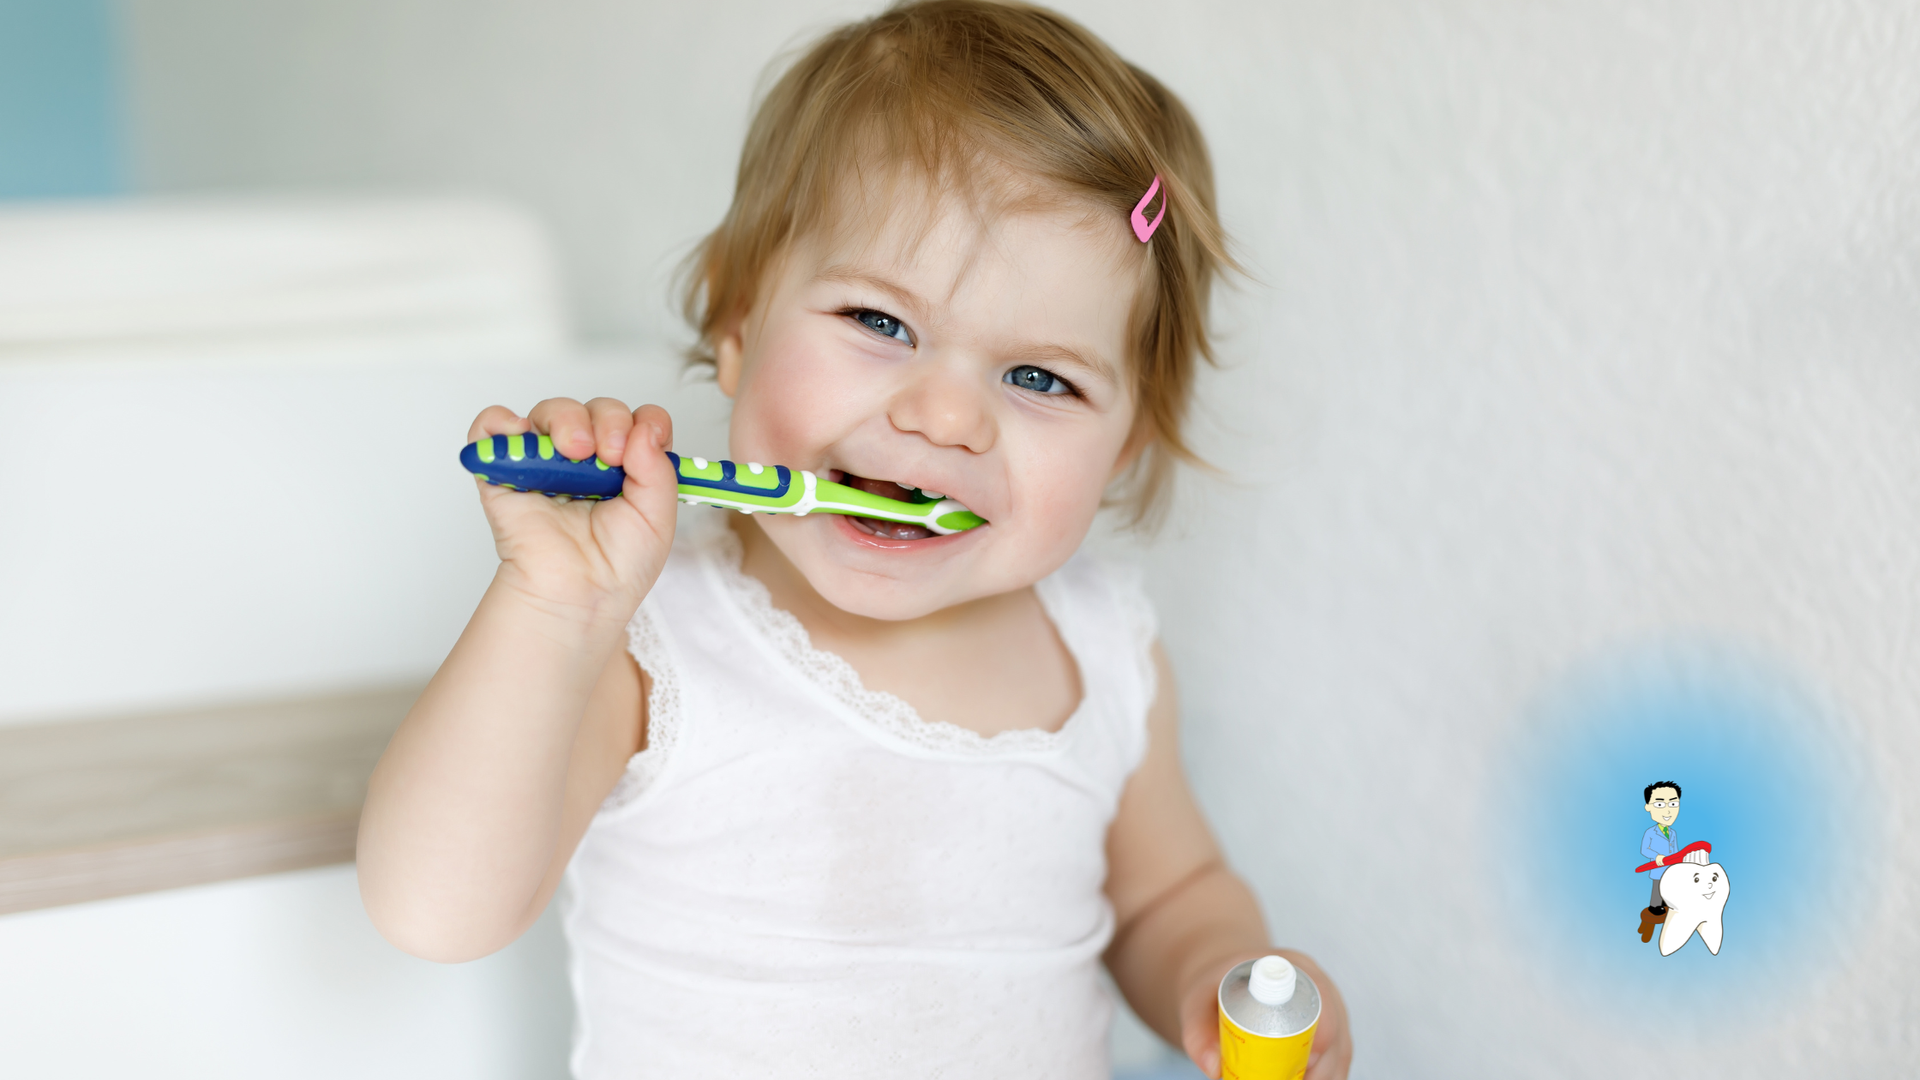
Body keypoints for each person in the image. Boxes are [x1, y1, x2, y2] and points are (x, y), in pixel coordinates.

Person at [355, 3, 1351, 1077]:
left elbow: (1170, 893)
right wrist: (554, 609)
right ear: (739, 326)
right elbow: (432, 910)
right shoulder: (652, 644)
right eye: (881, 323)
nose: (946, 417)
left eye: (1039, 378)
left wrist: (1225, 976)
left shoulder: (1103, 649)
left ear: (1124, 448)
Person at [1638, 781, 1683, 939]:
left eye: (1673, 803)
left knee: (1669, 891)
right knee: (1657, 892)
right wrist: (1656, 857)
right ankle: (1655, 908)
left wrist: (1678, 863)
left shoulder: (1673, 833)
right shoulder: (1651, 832)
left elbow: (1675, 850)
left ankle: (1667, 906)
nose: (1668, 810)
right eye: (1659, 804)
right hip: (1658, 870)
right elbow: (1644, 849)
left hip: (1671, 870)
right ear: (1648, 807)